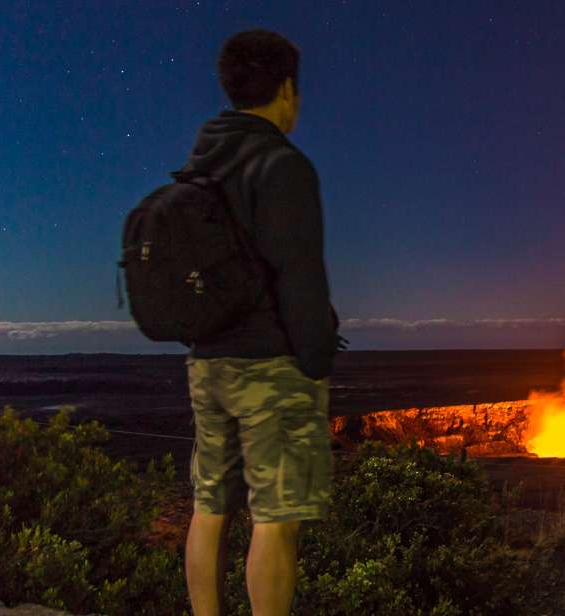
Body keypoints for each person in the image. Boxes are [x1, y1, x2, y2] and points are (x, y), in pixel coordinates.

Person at [179, 29, 338, 616]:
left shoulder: (202, 161)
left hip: (207, 362)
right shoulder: (283, 165)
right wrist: (316, 361)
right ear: (287, 89)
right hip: (271, 369)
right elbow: (300, 276)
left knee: (210, 507)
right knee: (276, 519)